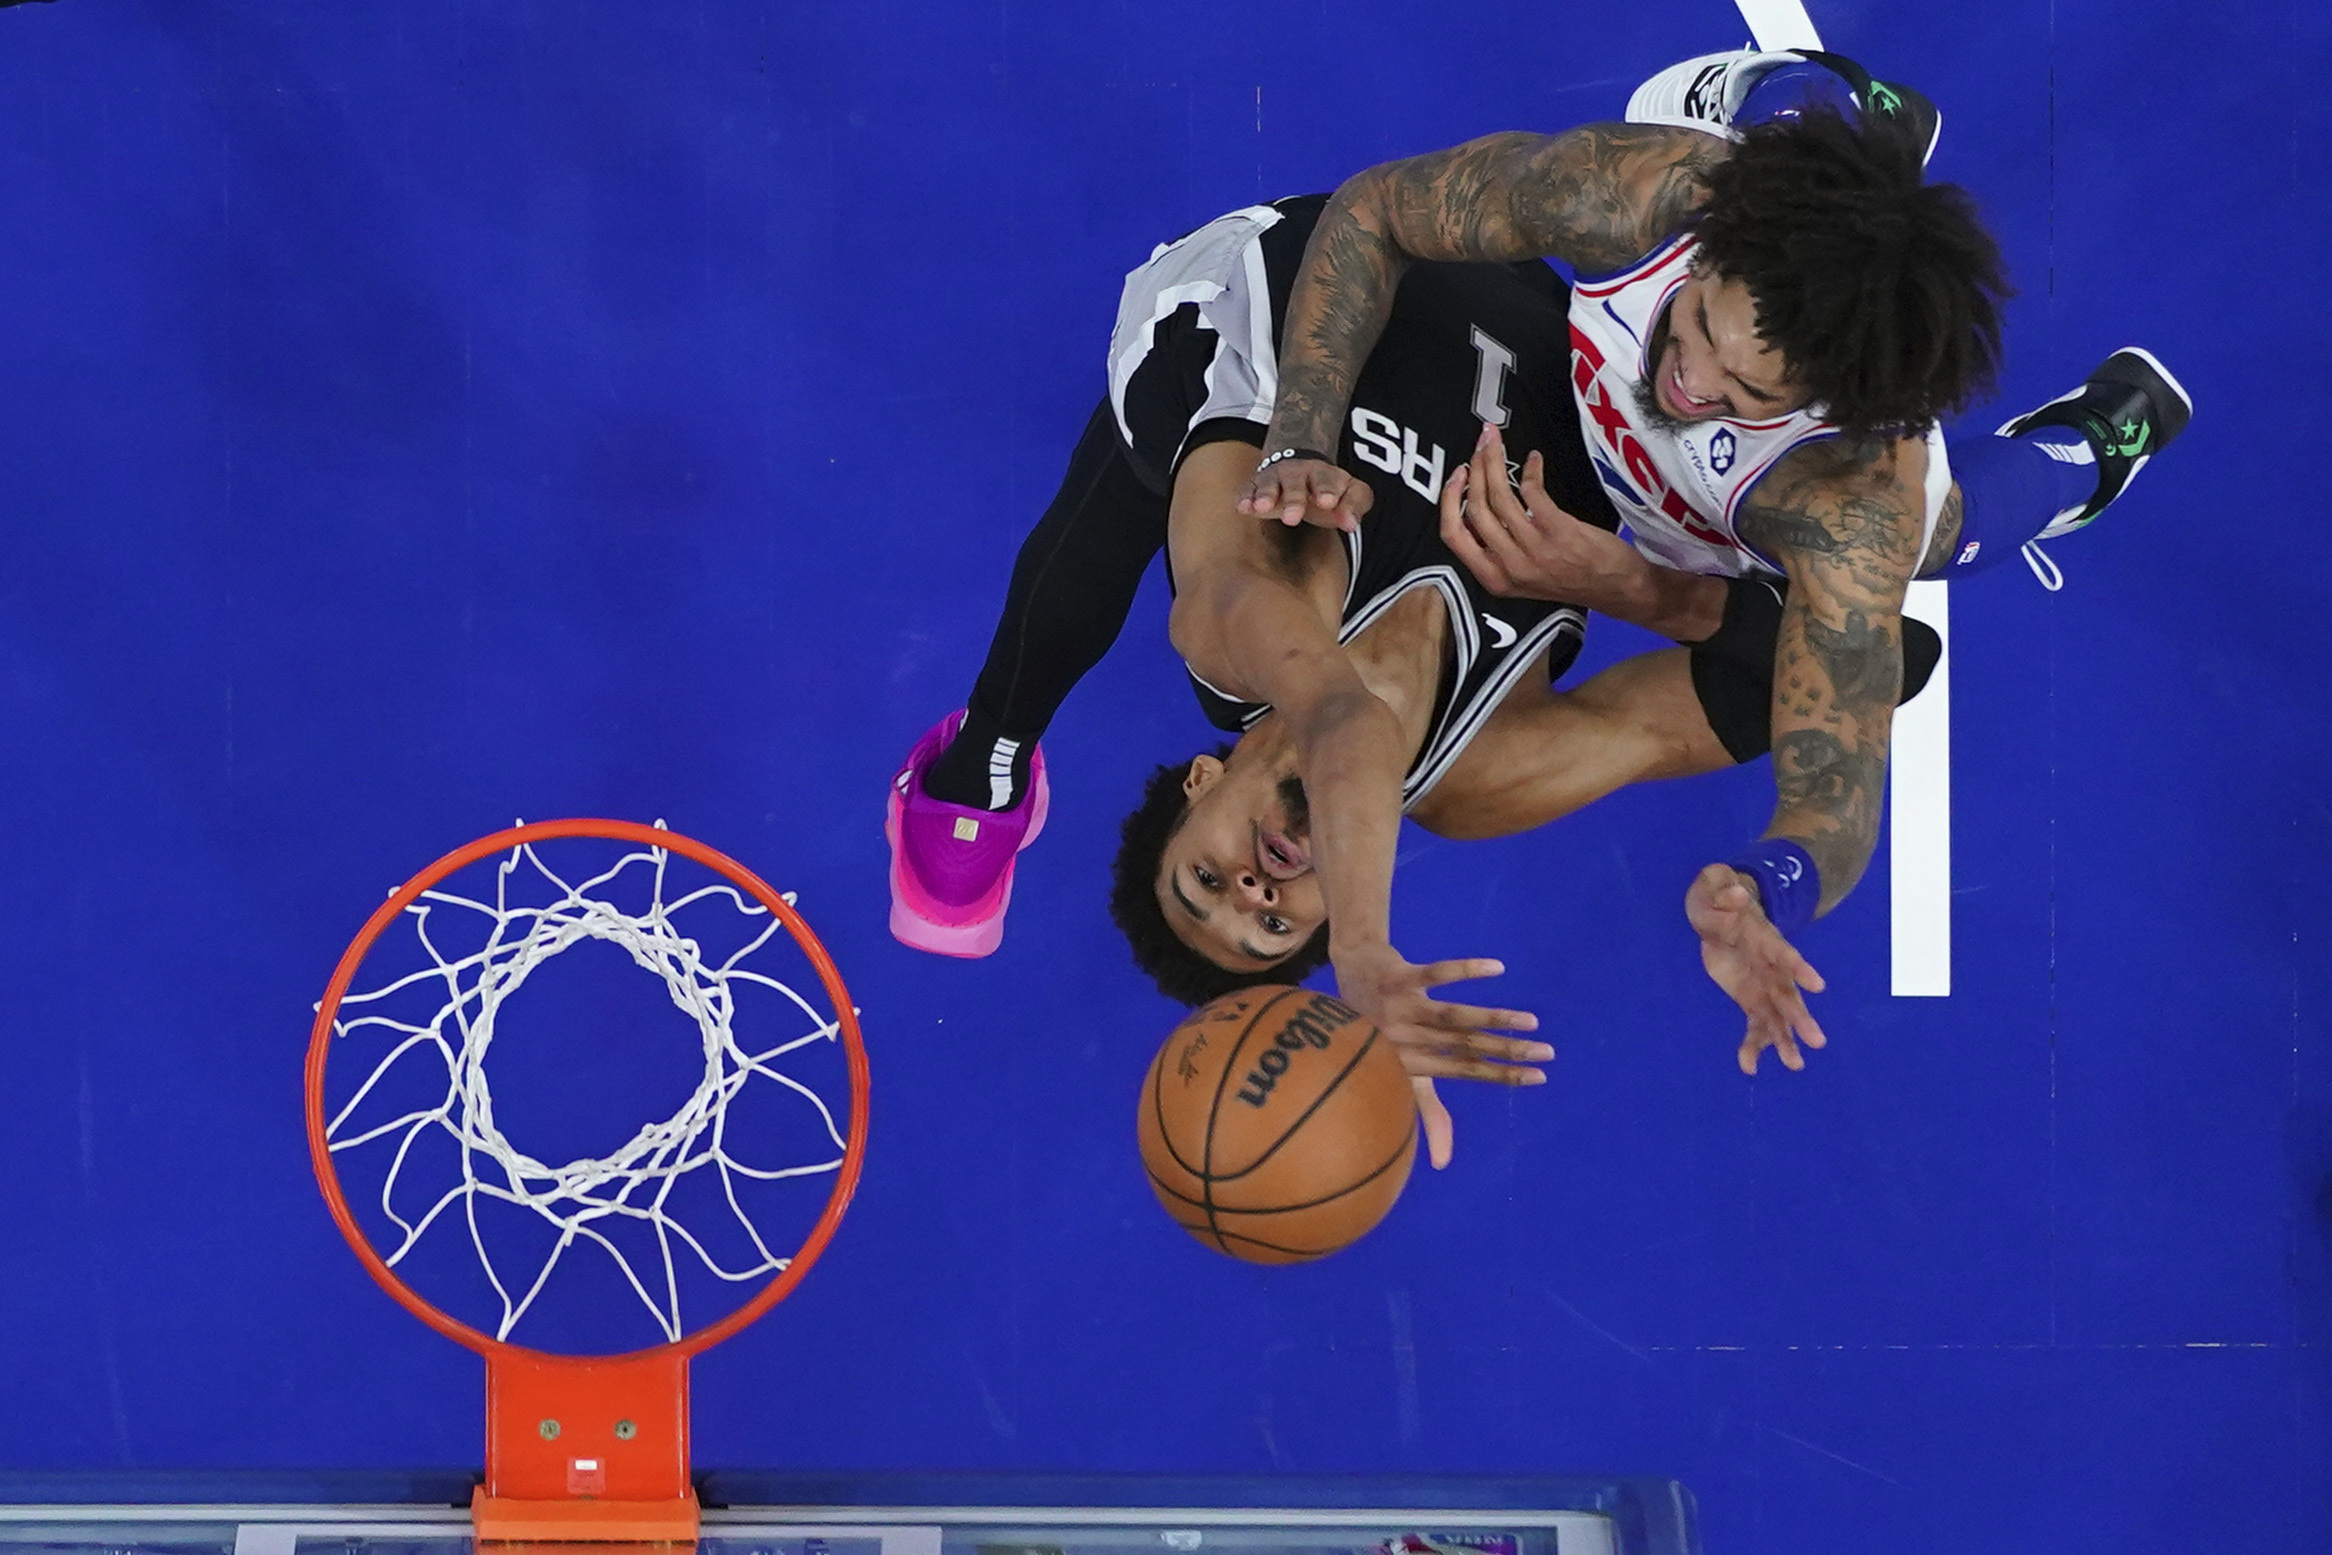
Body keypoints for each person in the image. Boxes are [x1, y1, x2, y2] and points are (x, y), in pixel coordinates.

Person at [1230, 53, 2190, 1074]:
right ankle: (1831, 106)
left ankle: (2083, 454)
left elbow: (1838, 773)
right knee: (1784, 130)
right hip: (1726, 182)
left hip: (1712, 516)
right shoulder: (1642, 195)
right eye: (1698, 329)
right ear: (1706, 253)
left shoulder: (1849, 490)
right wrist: (1298, 439)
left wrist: (1766, 881)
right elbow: (1377, 210)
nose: (1689, 381)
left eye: (1743, 386)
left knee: (1937, 536)